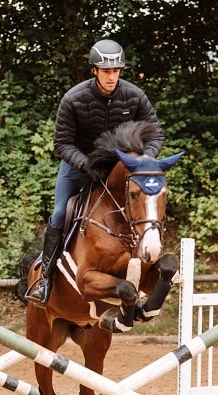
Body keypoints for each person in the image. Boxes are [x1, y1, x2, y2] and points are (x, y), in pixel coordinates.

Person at [26, 38, 165, 306]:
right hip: (80, 165)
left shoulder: (135, 95)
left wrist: (145, 160)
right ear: (94, 71)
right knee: (59, 212)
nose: (112, 76)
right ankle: (45, 279)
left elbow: (155, 133)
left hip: (122, 167)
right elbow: (62, 143)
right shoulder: (74, 98)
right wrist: (86, 165)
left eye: (116, 71)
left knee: (148, 199)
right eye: (106, 71)